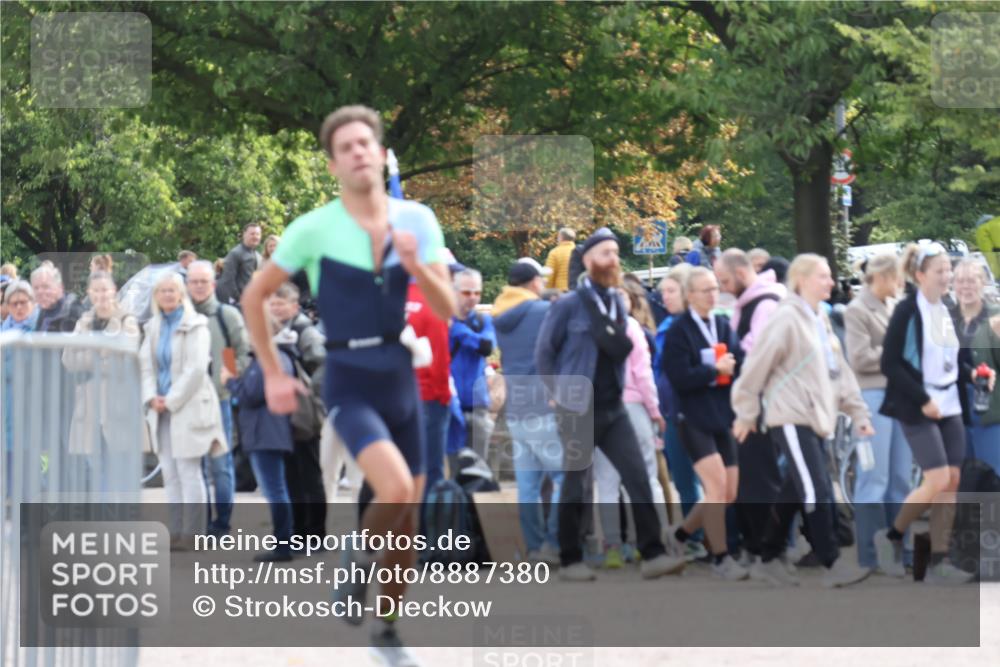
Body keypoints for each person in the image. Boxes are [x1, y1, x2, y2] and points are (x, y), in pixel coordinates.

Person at [241, 104, 455, 665]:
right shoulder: (314, 227)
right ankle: (357, 555)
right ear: (333, 164)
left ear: (382, 155)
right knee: (398, 490)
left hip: (400, 376)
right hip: (348, 376)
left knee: (406, 525)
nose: (359, 152)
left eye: (366, 143)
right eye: (346, 148)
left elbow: (447, 306)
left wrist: (420, 265)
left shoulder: (419, 220)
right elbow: (252, 296)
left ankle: (386, 626)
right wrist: (271, 373)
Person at [535, 226, 686, 582]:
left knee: (637, 475)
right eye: (606, 254)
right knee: (577, 483)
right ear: (588, 261)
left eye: (616, 254)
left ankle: (653, 554)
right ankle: (570, 558)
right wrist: (555, 392)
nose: (613, 260)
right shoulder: (569, 305)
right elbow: (544, 352)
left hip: (613, 405)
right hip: (577, 406)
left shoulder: (618, 302)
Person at [732, 254, 875, 588]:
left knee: (795, 489)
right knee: (816, 488)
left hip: (817, 416)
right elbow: (757, 366)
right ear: (801, 279)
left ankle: (767, 556)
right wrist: (746, 412)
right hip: (791, 414)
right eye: (822, 276)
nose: (830, 281)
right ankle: (831, 562)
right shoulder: (786, 319)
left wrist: (858, 413)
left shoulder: (819, 319)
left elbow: (840, 373)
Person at [875, 243, 992, 584]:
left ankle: (939, 560)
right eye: (940, 271)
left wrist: (972, 372)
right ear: (920, 275)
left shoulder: (946, 308)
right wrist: (922, 397)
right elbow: (890, 363)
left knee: (951, 483)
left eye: (948, 271)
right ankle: (893, 536)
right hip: (918, 404)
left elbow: (951, 358)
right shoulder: (907, 311)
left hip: (951, 404)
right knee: (938, 479)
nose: (947, 277)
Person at [662, 267, 747, 580]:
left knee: (728, 493)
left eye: (715, 288)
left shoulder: (723, 324)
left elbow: (739, 359)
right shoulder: (678, 331)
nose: (713, 294)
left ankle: (680, 535)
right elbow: (679, 377)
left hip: (723, 414)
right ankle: (721, 557)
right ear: (690, 295)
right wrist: (713, 370)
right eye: (706, 290)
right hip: (693, 417)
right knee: (715, 487)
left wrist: (732, 367)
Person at [139, 272, 228, 551]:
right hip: (160, 407)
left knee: (190, 472)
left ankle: (194, 533)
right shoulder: (152, 326)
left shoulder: (196, 324)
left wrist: (172, 400)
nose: (167, 295)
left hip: (188, 406)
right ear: (156, 296)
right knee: (170, 472)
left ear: (181, 294)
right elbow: (145, 366)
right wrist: (152, 396)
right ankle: (176, 531)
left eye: (172, 290)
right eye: (162, 290)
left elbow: (197, 368)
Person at [714, 249, 788, 573]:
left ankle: (768, 548)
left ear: (742, 273)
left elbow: (759, 352)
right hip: (750, 402)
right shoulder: (752, 303)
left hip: (760, 403)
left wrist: (731, 360)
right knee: (749, 477)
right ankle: (756, 545)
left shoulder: (765, 304)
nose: (724, 288)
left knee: (760, 477)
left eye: (726, 281)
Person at [844, 253, 913, 574]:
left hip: (898, 396)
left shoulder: (893, 306)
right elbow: (858, 358)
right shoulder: (858, 310)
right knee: (874, 478)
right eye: (897, 277)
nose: (901, 283)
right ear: (884, 277)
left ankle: (902, 549)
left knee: (900, 477)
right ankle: (870, 554)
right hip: (872, 396)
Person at [594, 280, 670, 569]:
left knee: (606, 481)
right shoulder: (631, 328)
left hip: (599, 408)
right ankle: (651, 540)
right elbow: (642, 373)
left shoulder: (591, 329)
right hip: (633, 406)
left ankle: (612, 544)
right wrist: (655, 410)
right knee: (644, 477)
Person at [494, 259, 562, 565]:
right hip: (543, 404)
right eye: (541, 280)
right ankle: (554, 542)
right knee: (563, 476)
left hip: (516, 408)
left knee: (528, 486)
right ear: (534, 282)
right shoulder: (542, 311)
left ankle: (533, 548)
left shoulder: (499, 314)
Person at [224, 320, 297, 562]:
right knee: (277, 488)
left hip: (265, 431)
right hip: (270, 430)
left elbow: (249, 394)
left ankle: (283, 544)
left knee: (274, 489)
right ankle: (284, 541)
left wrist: (229, 380)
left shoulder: (267, 360)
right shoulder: (277, 357)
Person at [186, 260, 250, 536]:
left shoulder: (227, 316)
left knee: (220, 465)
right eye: (194, 282)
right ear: (187, 284)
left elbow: (242, 352)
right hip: (187, 403)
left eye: (204, 281)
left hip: (219, 400)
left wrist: (231, 377)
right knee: (195, 465)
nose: (199, 286)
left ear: (213, 284)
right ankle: (200, 521)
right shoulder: (181, 316)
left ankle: (222, 524)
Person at [62, 272, 141, 488]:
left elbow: (127, 357)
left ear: (114, 290)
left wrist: (90, 354)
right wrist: (103, 355)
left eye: (105, 289)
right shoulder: (84, 321)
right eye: (96, 290)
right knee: (94, 467)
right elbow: (68, 359)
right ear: (89, 293)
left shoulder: (127, 319)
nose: (101, 295)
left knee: (117, 466)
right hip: (88, 405)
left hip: (117, 405)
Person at [653, 265, 707, 561]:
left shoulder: (690, 328)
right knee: (685, 482)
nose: (665, 297)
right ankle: (695, 539)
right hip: (672, 413)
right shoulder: (666, 326)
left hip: (694, 413)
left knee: (706, 483)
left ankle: (697, 538)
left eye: (671, 291)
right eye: (663, 292)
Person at [269, 282, 329, 543]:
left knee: (309, 473)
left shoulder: (305, 331)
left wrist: (305, 395)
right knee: (292, 473)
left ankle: (314, 532)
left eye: (281, 304)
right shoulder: (274, 330)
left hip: (304, 412)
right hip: (283, 413)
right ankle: (298, 531)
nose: (275, 308)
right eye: (273, 304)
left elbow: (322, 369)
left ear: (294, 306)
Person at [951, 259, 1000, 473]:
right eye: (960, 281)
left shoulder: (995, 315)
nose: (966, 286)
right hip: (955, 408)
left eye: (971, 280)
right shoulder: (945, 318)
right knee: (965, 479)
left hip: (990, 407)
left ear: (983, 283)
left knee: (992, 473)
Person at [406, 275, 452, 498]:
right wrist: (443, 396)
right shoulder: (432, 301)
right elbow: (440, 358)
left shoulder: (383, 298)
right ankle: (427, 531)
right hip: (428, 396)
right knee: (430, 471)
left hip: (390, 397)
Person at [450, 268, 497, 461]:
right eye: (466, 292)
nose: (473, 297)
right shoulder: (439, 318)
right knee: (450, 466)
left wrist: (457, 330)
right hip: (448, 401)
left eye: (477, 293)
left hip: (477, 402)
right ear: (454, 291)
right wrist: (474, 340)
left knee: (476, 470)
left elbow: (487, 347)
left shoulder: (482, 320)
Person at [217, 223, 263, 305]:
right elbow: (228, 280)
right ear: (244, 235)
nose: (255, 237)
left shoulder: (258, 256)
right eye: (252, 234)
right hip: (236, 303)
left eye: (258, 234)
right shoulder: (235, 253)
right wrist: (239, 298)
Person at [31, 263, 84, 333]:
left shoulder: (73, 311)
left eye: (45, 287)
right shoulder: (42, 310)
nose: (39, 292)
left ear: (60, 287)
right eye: (36, 288)